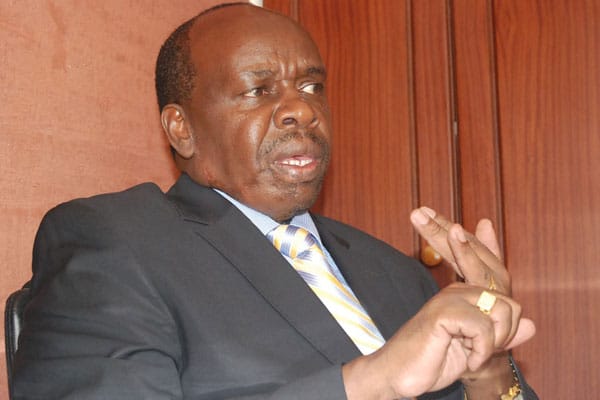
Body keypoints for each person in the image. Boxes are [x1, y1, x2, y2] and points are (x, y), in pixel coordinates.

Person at [12, 3, 537, 399]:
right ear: (182, 129)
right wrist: (371, 381)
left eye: (311, 87)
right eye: (258, 90)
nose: (302, 111)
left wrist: (490, 366)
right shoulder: (115, 241)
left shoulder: (398, 273)